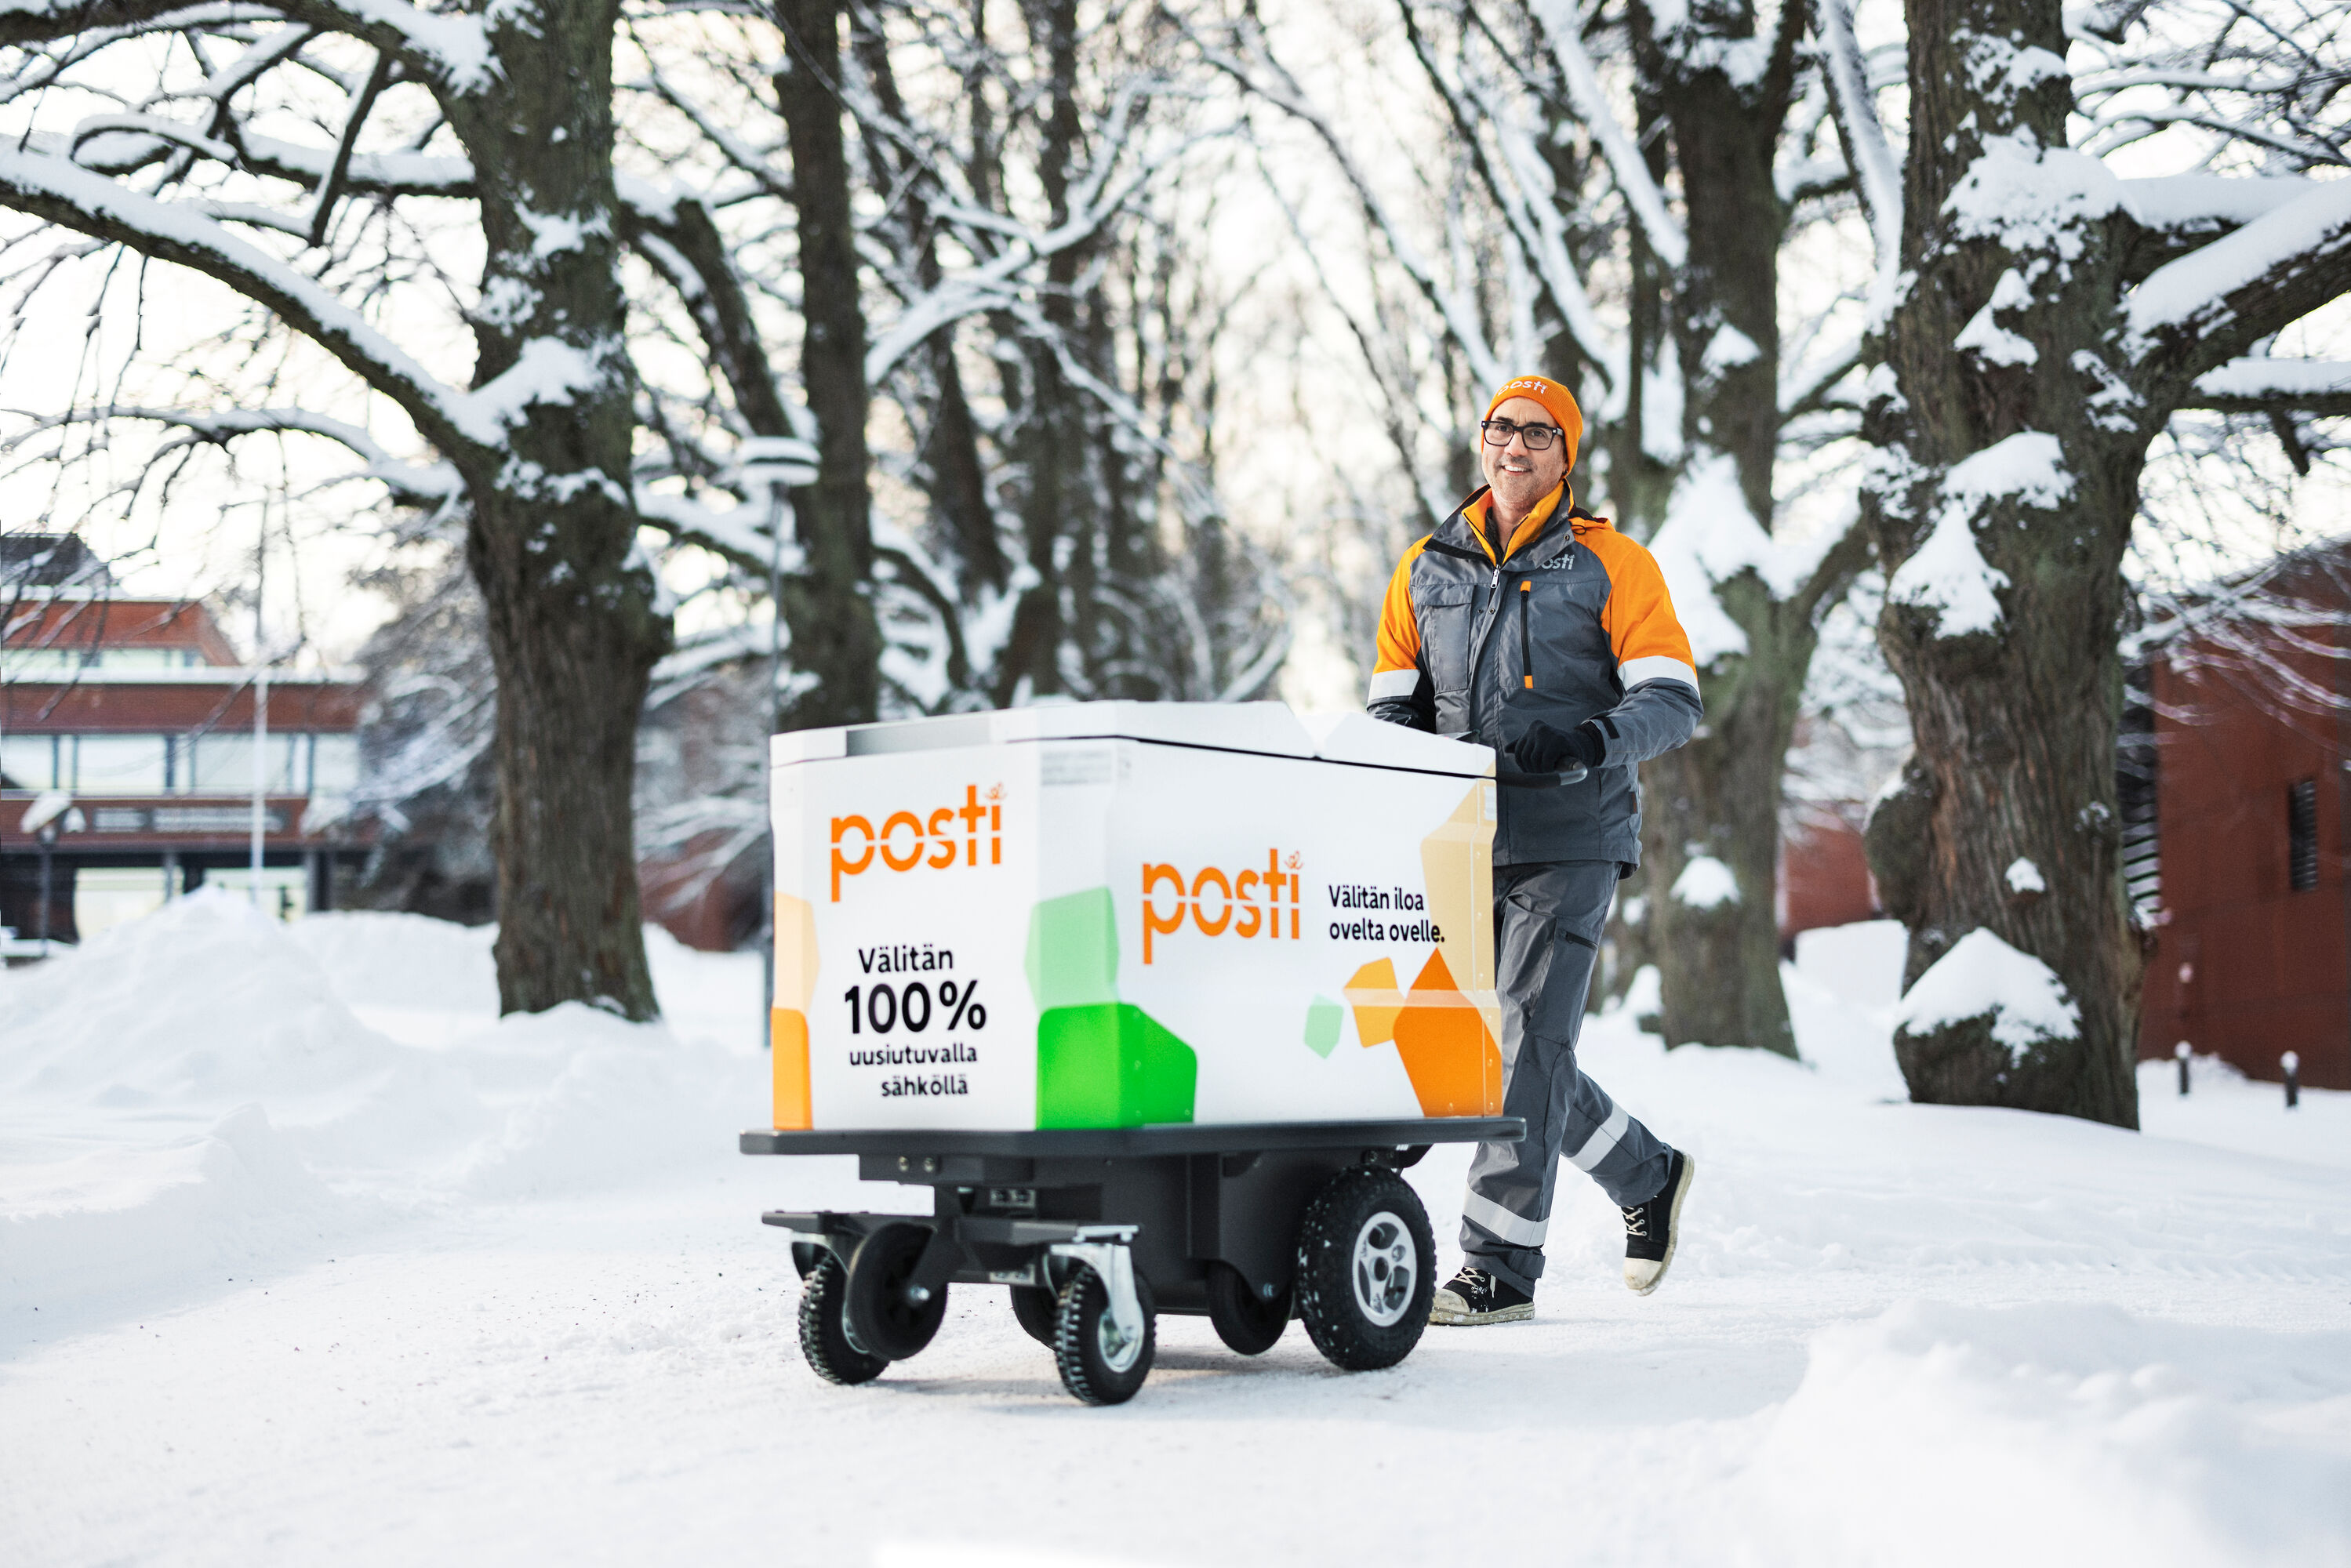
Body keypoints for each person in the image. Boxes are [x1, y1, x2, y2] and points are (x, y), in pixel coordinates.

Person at [1366, 373, 1701, 1325]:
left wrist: (1591, 740)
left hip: (1571, 829)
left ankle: (1498, 1264)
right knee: (1488, 1051)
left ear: (1566, 453)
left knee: (1524, 1040)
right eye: (1500, 428)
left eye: (1539, 433)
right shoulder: (1425, 565)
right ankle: (1648, 1171)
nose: (1515, 446)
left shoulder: (1612, 562)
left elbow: (1672, 697)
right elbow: (1393, 702)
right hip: (1458, 834)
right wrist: (1403, 755)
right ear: (1481, 442)